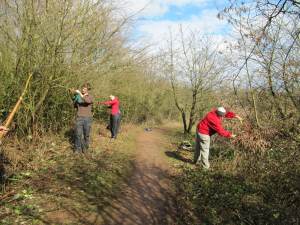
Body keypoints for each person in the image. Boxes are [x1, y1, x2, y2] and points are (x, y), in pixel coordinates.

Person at [72, 83, 93, 153]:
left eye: (85, 89)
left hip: (87, 118)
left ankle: (85, 148)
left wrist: (81, 95)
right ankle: (77, 149)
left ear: (88, 90)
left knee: (86, 134)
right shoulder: (79, 96)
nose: (83, 90)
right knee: (78, 134)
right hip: (79, 117)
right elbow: (75, 105)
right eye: (83, 88)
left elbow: (87, 101)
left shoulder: (90, 96)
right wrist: (74, 96)